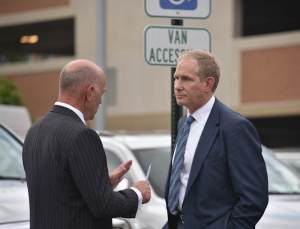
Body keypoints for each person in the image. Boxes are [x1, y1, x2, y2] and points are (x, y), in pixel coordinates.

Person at [22, 59, 151, 229]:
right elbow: (103, 205)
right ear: (90, 92)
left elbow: (60, 190)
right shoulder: (82, 135)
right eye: (101, 94)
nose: (100, 102)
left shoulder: (34, 131)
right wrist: (137, 193)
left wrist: (102, 184)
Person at [163, 50, 268, 229]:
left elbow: (253, 198)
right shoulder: (184, 124)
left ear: (208, 83)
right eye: (176, 78)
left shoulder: (235, 127)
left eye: (186, 79)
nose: (177, 86)